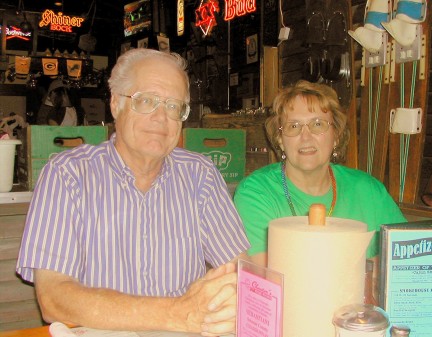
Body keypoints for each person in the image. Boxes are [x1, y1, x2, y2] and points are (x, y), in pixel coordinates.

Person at [16, 48, 250, 336]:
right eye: (146, 101)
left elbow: (239, 273)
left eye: (174, 106)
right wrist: (178, 313)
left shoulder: (199, 175)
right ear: (116, 104)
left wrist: (226, 304)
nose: (161, 118)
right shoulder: (68, 174)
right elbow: (54, 299)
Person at [234, 80, 406, 268]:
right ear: (280, 140)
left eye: (318, 124)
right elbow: (271, 275)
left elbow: (407, 256)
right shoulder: (255, 193)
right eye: (293, 126)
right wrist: (371, 266)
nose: (305, 137)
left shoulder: (369, 190)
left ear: (336, 136)